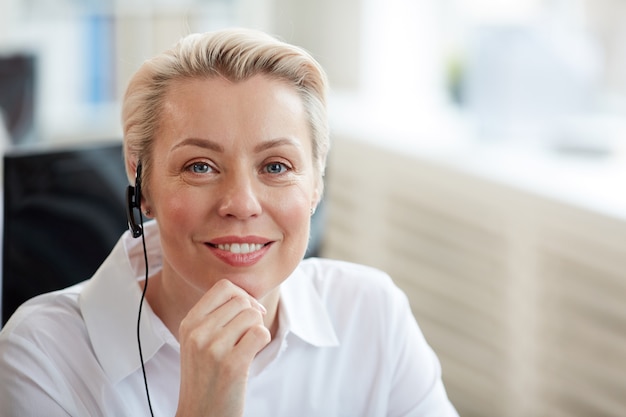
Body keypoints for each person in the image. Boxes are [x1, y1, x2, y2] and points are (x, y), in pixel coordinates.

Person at [0, 28, 458, 416]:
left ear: (316, 183)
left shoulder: (372, 312)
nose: (241, 203)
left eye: (276, 166)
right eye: (200, 166)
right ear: (143, 184)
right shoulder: (40, 354)